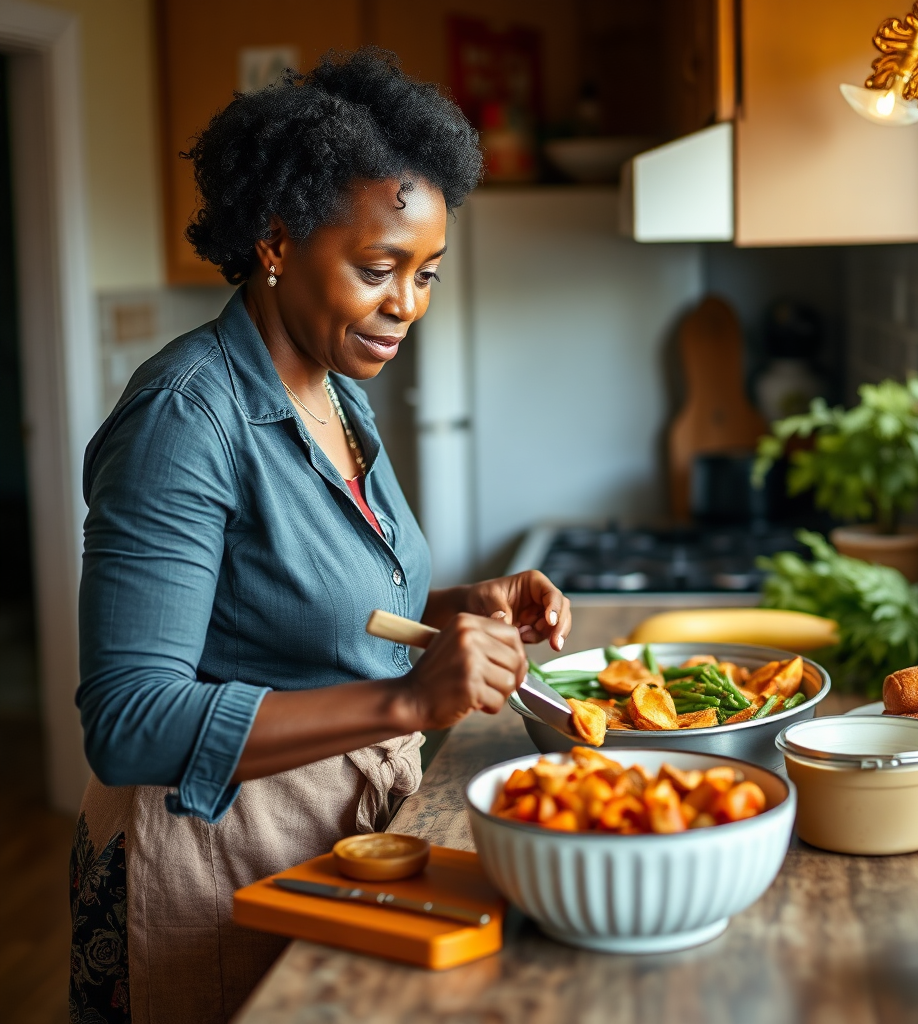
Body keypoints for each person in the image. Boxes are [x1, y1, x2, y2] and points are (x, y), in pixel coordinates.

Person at [69, 48, 571, 1024]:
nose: (407, 306)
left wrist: (453, 610)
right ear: (276, 240)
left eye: (425, 273)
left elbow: (297, 604)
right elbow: (127, 721)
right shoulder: (186, 416)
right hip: (207, 857)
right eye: (377, 269)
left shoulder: (333, 391)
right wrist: (404, 703)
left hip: (327, 835)